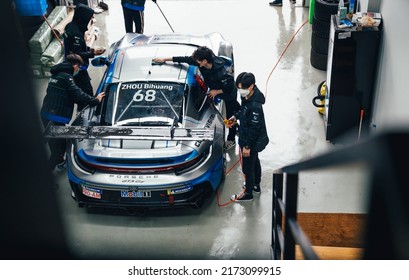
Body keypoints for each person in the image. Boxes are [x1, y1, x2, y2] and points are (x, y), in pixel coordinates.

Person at [153, 46, 241, 150]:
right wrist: (165, 59)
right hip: (214, 88)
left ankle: (231, 138)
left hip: (227, 93)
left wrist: (216, 92)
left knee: (231, 114)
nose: (197, 63)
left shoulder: (222, 73)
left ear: (204, 61)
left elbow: (230, 88)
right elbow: (185, 59)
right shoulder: (202, 62)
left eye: (198, 61)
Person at [40, 54, 105, 172]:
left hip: (47, 113)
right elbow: (77, 94)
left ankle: (60, 161)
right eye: (79, 68)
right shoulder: (67, 78)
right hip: (55, 117)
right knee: (58, 149)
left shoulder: (57, 74)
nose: (78, 70)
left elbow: (68, 95)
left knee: (55, 144)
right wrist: (95, 100)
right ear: (75, 66)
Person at [228, 72, 269, 202]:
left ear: (252, 86)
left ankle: (248, 193)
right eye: (239, 88)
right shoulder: (247, 97)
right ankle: (256, 185)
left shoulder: (255, 105)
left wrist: (247, 146)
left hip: (252, 141)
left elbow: (254, 129)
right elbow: (243, 111)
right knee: (254, 162)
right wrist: (235, 117)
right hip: (251, 140)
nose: (241, 91)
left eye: (243, 88)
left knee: (247, 168)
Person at [63, 3, 105, 104]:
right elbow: (77, 53)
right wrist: (93, 53)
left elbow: (78, 48)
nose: (90, 20)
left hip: (71, 63)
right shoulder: (76, 33)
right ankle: (85, 111)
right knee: (87, 91)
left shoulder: (70, 26)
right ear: (83, 17)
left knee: (81, 90)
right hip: (77, 66)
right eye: (88, 18)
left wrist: (90, 49)